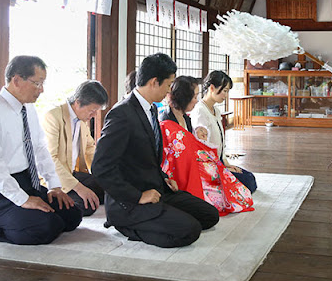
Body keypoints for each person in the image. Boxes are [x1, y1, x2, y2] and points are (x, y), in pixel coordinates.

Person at [91, 53, 219, 248]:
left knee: (209, 215)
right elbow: (100, 167)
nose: (169, 92)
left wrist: (163, 177)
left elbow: (145, 156)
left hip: (156, 190)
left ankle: (160, 215)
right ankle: (126, 224)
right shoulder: (121, 115)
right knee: (189, 230)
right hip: (132, 200)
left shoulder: (150, 109)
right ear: (153, 82)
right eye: (168, 85)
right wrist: (138, 196)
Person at [0, 56, 82, 245]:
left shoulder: (28, 109)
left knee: (72, 215)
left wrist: (54, 186)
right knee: (44, 227)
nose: (41, 90)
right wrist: (23, 200)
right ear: (17, 80)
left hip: (25, 182)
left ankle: (15, 220)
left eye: (43, 83)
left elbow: (39, 149)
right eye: (37, 83)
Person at [160, 76, 254, 215]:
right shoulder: (166, 120)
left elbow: (192, 143)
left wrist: (198, 134)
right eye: (194, 96)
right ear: (184, 97)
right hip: (182, 170)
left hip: (197, 162)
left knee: (243, 181)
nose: (196, 100)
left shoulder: (187, 117)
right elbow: (171, 155)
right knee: (227, 187)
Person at [42, 80, 108, 217]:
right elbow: (50, 159)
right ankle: (52, 203)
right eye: (92, 110)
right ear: (77, 102)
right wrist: (79, 188)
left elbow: (90, 149)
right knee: (86, 205)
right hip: (54, 178)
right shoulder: (53, 117)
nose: (94, 115)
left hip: (72, 173)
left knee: (107, 187)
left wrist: (101, 174)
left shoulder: (81, 120)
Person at [190, 71, 257, 193]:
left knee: (250, 178)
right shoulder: (200, 111)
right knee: (248, 182)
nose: (226, 95)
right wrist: (222, 167)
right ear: (212, 88)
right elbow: (201, 148)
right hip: (208, 166)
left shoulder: (215, 110)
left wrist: (226, 163)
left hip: (219, 162)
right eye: (225, 91)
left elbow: (220, 145)